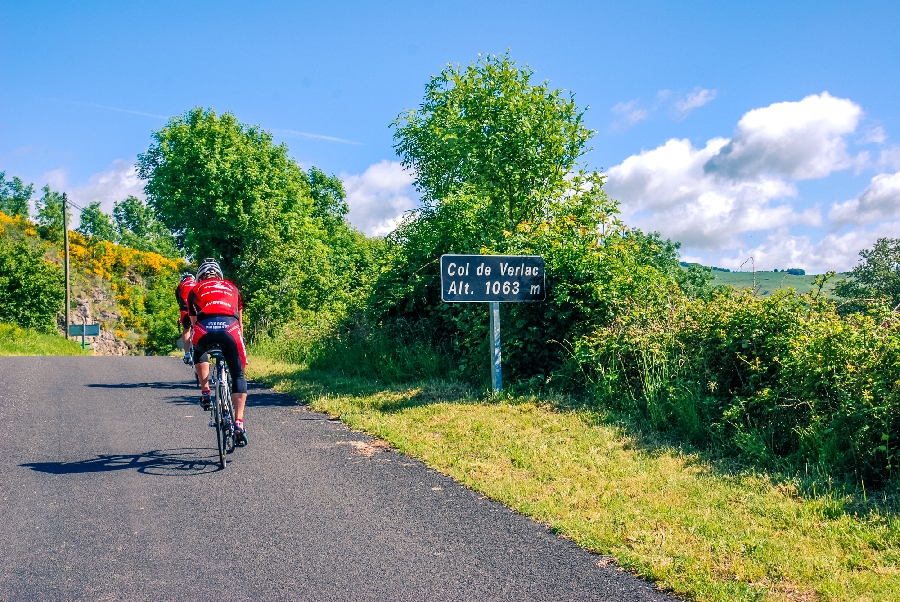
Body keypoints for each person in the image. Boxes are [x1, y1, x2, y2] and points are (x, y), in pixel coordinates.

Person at [188, 258, 249, 446]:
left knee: (197, 348)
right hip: (230, 329)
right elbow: (239, 322)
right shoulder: (232, 288)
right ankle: (238, 423)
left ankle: (206, 392)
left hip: (205, 328)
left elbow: (193, 322)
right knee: (238, 374)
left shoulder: (194, 290)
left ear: (200, 277)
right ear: (219, 276)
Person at [175, 272, 196, 364]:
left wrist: (181, 318)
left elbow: (179, 302)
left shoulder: (180, 286)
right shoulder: (197, 283)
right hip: (196, 309)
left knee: (186, 329)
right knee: (198, 327)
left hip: (185, 310)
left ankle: (187, 353)